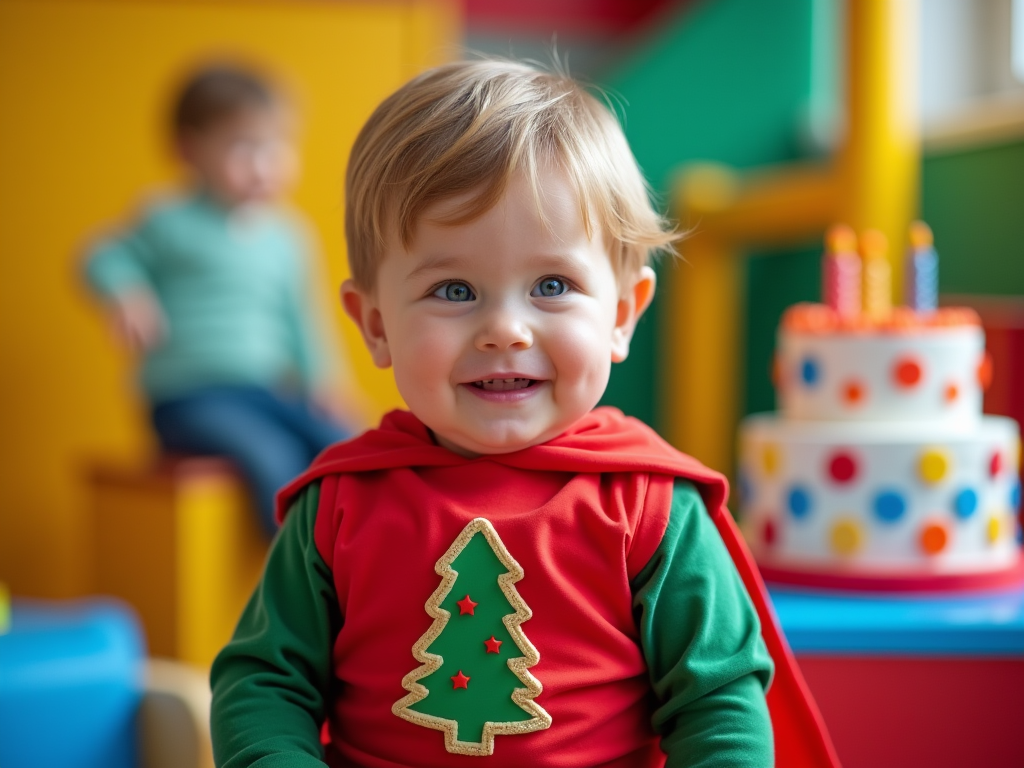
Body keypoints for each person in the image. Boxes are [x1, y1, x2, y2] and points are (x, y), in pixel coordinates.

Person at [210, 60, 839, 767]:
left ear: (622, 315)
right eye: (453, 289)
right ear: (377, 325)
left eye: (551, 284)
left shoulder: (651, 507)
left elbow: (718, 704)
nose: (504, 329)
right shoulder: (339, 506)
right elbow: (264, 684)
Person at [83, 64, 352, 537]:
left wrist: (324, 382)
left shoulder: (287, 237)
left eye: (277, 147)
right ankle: (300, 575)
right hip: (188, 399)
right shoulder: (167, 217)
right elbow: (102, 255)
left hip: (266, 392)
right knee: (272, 457)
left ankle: (365, 554)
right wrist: (126, 292)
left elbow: (302, 319)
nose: (263, 165)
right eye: (243, 147)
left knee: (346, 446)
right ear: (189, 149)